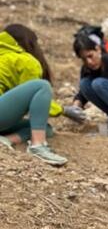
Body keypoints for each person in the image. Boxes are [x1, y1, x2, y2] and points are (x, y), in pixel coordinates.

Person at [0, 24, 68, 165]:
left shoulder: (4, 57)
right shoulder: (25, 60)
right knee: (41, 86)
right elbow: (37, 96)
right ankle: (38, 146)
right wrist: (64, 110)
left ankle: (6, 140)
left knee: (44, 128)